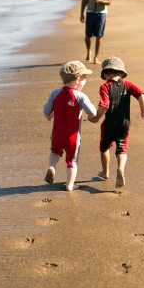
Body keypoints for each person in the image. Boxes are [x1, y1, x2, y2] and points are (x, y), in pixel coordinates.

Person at [88, 56, 144, 189]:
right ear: (122, 73)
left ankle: (105, 172)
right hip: (125, 124)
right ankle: (121, 169)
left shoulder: (105, 86)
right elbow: (140, 94)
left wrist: (96, 118)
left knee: (104, 147)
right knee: (122, 148)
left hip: (109, 124)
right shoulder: (127, 85)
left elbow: (104, 105)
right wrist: (143, 110)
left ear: (105, 73)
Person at [43, 61, 98, 191]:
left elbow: (46, 111)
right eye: (85, 78)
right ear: (78, 80)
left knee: (55, 152)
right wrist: (89, 116)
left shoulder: (55, 93)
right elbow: (93, 113)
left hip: (56, 134)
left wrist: (50, 115)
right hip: (73, 137)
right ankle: (69, 185)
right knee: (72, 161)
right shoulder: (80, 96)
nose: (85, 81)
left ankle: (51, 167)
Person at [80, 0, 112, 64]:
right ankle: (88, 52)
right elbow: (84, 0)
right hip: (90, 12)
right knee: (87, 36)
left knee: (99, 36)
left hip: (101, 13)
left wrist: (100, 0)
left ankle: (96, 57)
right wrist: (81, 13)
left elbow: (109, 1)